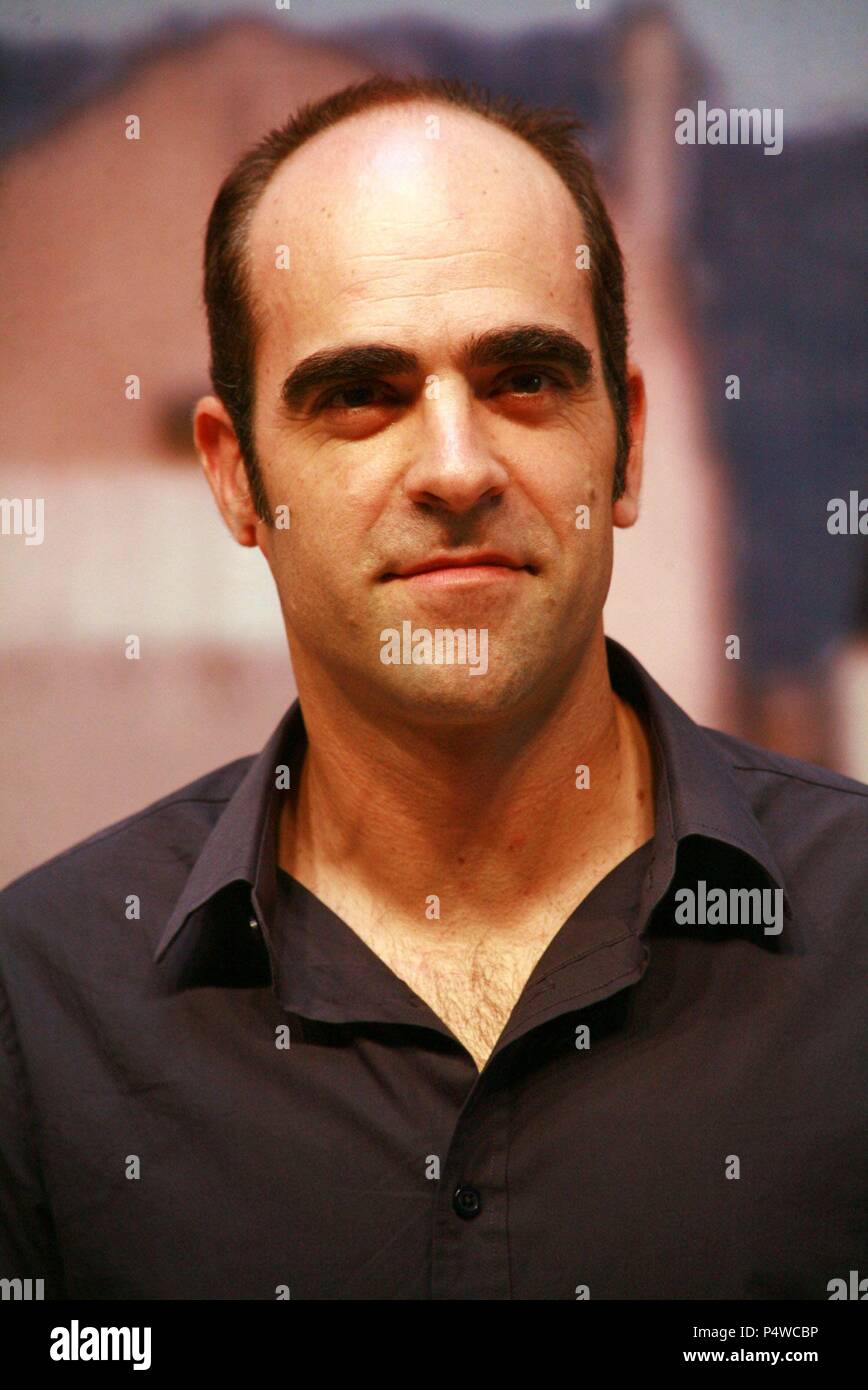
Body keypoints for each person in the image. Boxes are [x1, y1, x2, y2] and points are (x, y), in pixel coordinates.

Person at [1, 77, 865, 1301]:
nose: (457, 469)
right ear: (238, 478)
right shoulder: (39, 1010)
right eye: (360, 394)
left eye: (524, 378)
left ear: (623, 441)